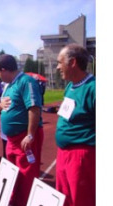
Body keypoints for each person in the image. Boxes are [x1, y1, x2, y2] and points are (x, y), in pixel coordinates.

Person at [0, 54, 44, 206]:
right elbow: (7, 106)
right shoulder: (10, 85)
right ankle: (14, 200)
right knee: (13, 172)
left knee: (26, 173)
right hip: (12, 139)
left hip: (24, 137)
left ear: (4, 70)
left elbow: (34, 108)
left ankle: (24, 202)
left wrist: (30, 135)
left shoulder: (26, 81)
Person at [55, 44, 95, 206]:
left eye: (60, 62)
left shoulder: (94, 88)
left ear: (73, 63)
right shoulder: (70, 86)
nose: (58, 67)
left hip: (82, 157)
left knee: (81, 199)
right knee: (64, 198)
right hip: (64, 154)